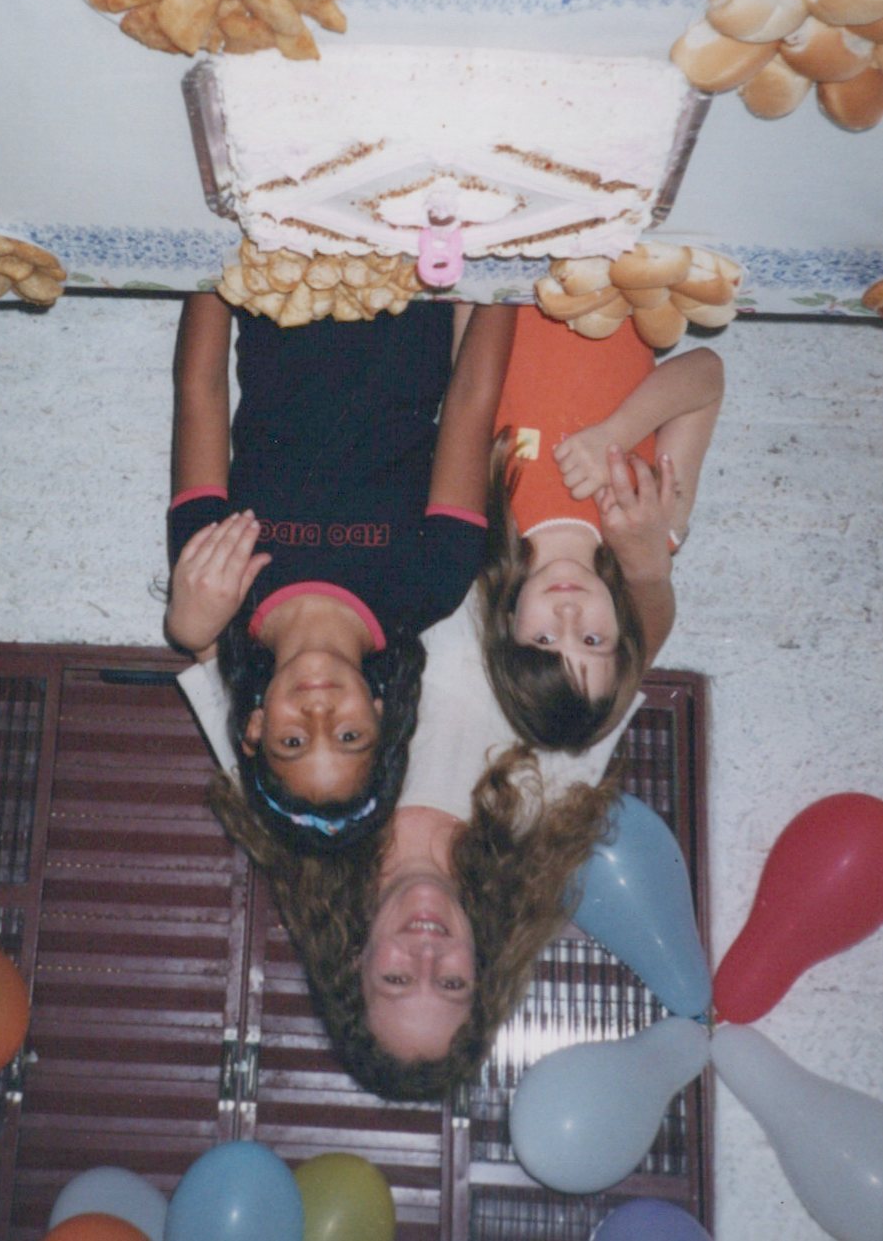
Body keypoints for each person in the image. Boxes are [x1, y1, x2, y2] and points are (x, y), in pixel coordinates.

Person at [192, 440, 671, 1098]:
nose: (426, 952)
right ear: (481, 971)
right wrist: (647, 565)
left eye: (396, 979)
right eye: (450, 981)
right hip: (524, 457)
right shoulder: (540, 815)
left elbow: (207, 638)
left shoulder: (296, 807)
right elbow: (626, 658)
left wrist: (195, 608)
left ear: (354, 966)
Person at [166, 292, 514, 852]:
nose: (319, 713)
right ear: (382, 718)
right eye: (349, 736)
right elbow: (472, 398)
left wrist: (209, 264)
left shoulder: (217, 589)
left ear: (255, 728)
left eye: (293, 740)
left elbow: (200, 391)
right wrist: (502, 276)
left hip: (278, 280)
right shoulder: (432, 584)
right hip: (414, 286)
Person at [478, 307, 724, 751]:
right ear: (622, 630)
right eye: (592, 640)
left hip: (505, 279)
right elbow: (707, 374)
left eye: (544, 639)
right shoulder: (651, 521)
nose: (568, 614)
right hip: (612, 281)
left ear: (510, 628)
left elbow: (468, 362)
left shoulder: (484, 522)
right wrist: (617, 433)